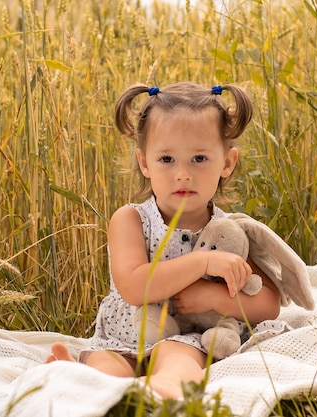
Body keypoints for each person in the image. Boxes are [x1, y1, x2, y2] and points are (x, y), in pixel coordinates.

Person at [46, 81, 283, 399]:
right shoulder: (131, 220)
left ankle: (161, 389)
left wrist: (214, 298)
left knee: (179, 360)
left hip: (186, 339)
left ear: (227, 162)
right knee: (108, 363)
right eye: (167, 160)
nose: (182, 173)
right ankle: (83, 382)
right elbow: (134, 286)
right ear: (145, 162)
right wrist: (202, 262)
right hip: (125, 336)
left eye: (199, 159)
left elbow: (268, 304)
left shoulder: (226, 233)